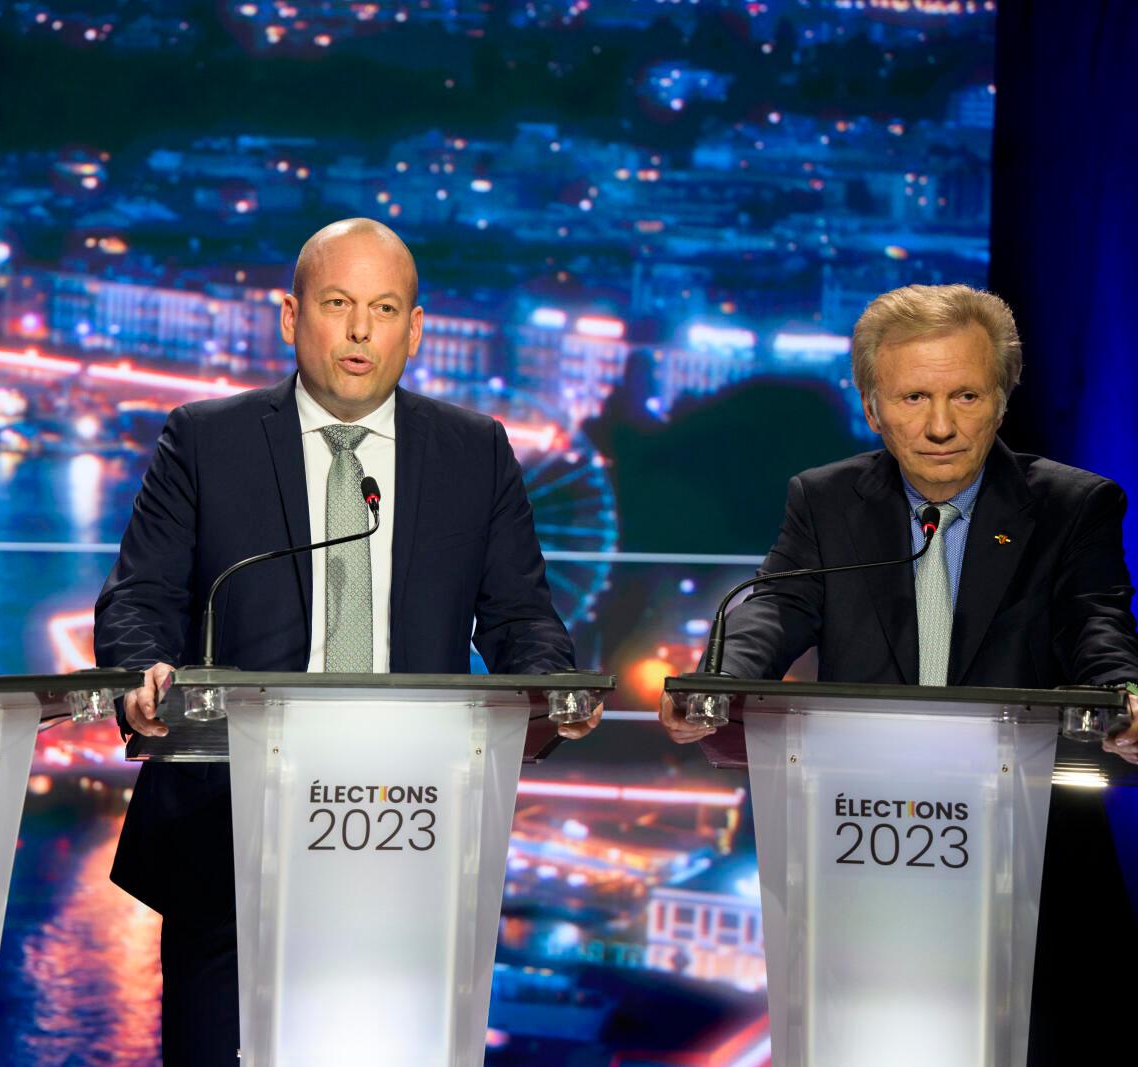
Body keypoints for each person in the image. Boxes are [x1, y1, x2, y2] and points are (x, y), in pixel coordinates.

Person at [95, 218, 596, 1064]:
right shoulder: (203, 439)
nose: (362, 330)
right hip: (228, 833)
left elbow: (518, 617)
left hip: (409, 828)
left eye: (384, 307)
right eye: (337, 303)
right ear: (291, 316)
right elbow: (141, 596)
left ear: (415, 328)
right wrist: (144, 668)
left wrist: (550, 681)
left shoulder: (475, 452)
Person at [657, 283, 1138, 1065]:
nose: (941, 425)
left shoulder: (1074, 506)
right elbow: (774, 607)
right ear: (874, 405)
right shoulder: (826, 501)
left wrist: (1128, 697)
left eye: (966, 395)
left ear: (1002, 398)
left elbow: (1098, 626)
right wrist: (718, 679)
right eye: (914, 396)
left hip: (1032, 875)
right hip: (869, 854)